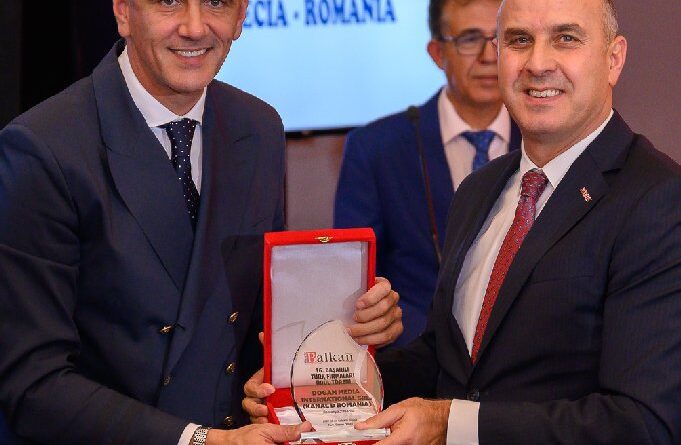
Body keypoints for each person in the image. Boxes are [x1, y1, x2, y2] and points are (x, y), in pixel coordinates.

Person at [247, 0, 681, 443]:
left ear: (614, 59)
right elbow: (447, 360)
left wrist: (450, 423)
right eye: (519, 40)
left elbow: (643, 423)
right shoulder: (480, 190)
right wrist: (312, 391)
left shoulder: (658, 200)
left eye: (565, 39)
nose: (537, 63)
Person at [0, 1, 402, 444]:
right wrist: (201, 440)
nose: (195, 27)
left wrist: (348, 322)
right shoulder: (45, 148)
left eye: (216, 3)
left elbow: (246, 326)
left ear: (242, 15)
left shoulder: (258, 127)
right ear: (123, 12)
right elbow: (32, 384)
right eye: (169, 1)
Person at [334, 0, 521, 347]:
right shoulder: (376, 149)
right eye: (470, 39)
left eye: (500, 40)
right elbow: (354, 281)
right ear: (437, 53)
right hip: (415, 356)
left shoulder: (544, 140)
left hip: (524, 360)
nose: (487, 56)